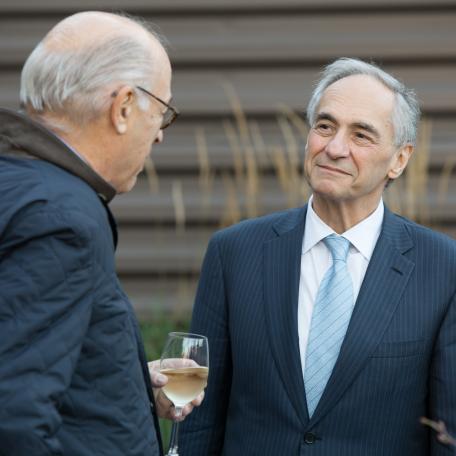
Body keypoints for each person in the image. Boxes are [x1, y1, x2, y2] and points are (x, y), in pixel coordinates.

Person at [180, 58, 456, 455]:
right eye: (325, 126)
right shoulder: (233, 252)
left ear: (399, 159)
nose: (334, 148)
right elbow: (198, 419)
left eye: (361, 135)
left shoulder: (443, 268)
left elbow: (447, 432)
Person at [0, 11, 201, 456]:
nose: (160, 138)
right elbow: (14, 417)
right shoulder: (61, 218)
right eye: (161, 114)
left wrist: (120, 379)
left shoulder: (18, 186)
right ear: (124, 107)